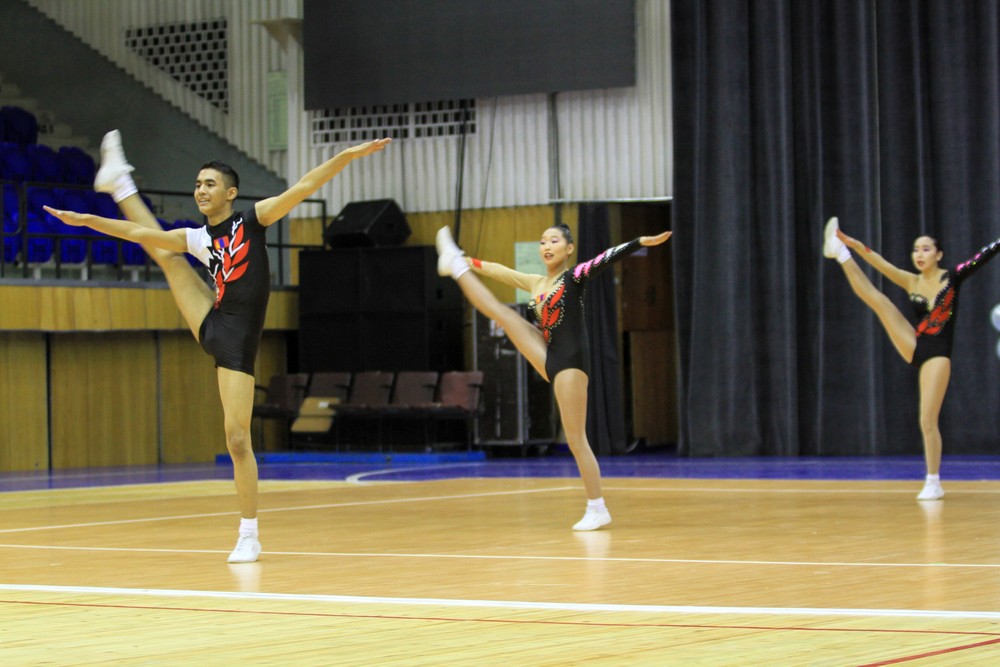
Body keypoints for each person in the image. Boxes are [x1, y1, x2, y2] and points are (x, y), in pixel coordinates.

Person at [44, 130, 391, 562]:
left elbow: (304, 186)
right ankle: (119, 183)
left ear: (230, 193)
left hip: (236, 345)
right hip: (212, 323)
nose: (201, 190)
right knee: (165, 254)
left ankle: (249, 534)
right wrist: (86, 220)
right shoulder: (197, 238)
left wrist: (348, 155)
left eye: (209, 184)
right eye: (197, 184)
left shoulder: (253, 221)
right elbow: (136, 232)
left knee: (237, 439)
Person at [435, 223, 671, 530]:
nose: (546, 246)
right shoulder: (536, 283)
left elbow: (605, 258)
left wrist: (639, 241)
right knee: (504, 315)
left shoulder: (574, 277)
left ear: (569, 248)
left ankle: (597, 507)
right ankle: (457, 263)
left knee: (576, 440)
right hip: (551, 355)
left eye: (554, 241)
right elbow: (501, 272)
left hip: (571, 364)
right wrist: (472, 262)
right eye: (543, 241)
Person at [823, 216, 1000, 500]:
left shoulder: (952, 278)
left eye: (926, 249)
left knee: (927, 419)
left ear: (938, 255)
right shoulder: (911, 281)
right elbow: (880, 263)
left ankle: (933, 481)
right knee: (879, 301)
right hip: (915, 344)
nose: (919, 254)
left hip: (938, 355)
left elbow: (983, 255)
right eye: (916, 249)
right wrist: (853, 245)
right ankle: (840, 253)